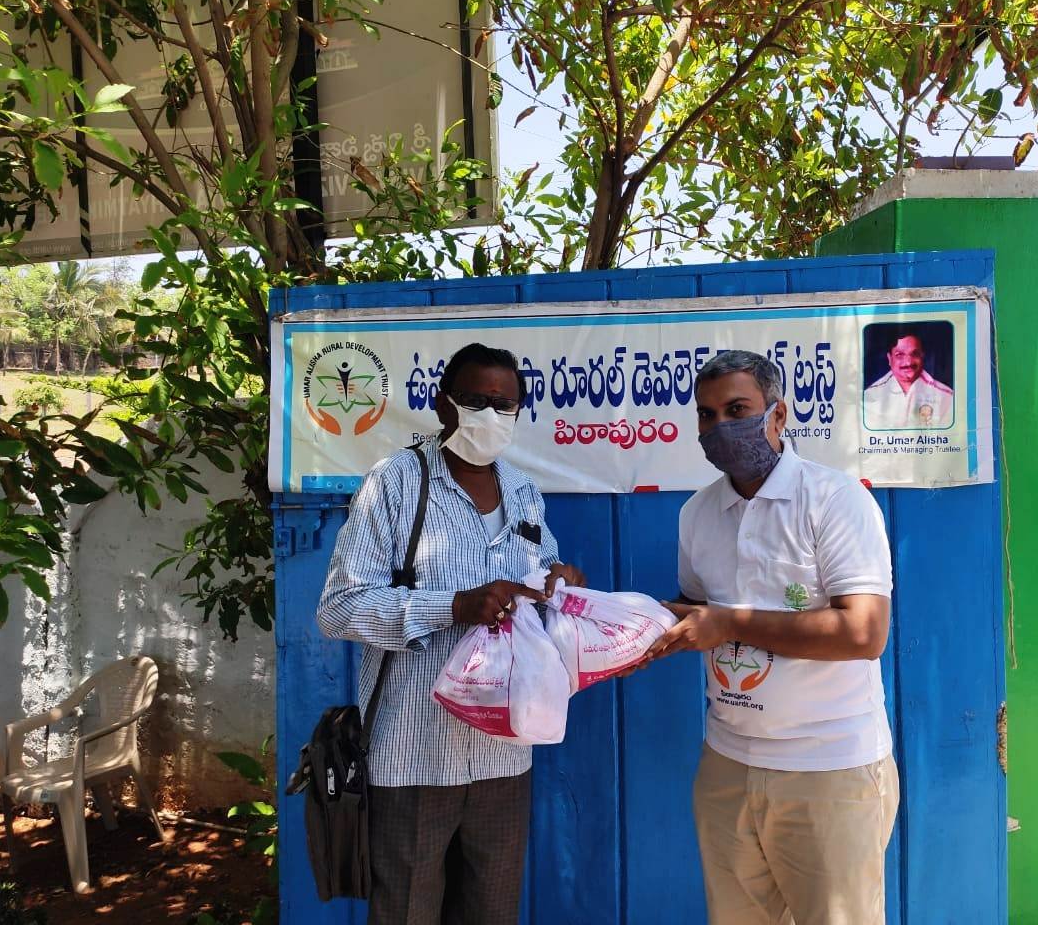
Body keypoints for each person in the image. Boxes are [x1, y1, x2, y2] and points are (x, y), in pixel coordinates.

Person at [317, 342, 585, 925]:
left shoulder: (522, 492)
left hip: (503, 752)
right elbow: (338, 610)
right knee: (407, 911)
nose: (490, 415)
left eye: (504, 404)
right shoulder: (393, 485)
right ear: (442, 406)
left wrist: (557, 587)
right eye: (474, 400)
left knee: (492, 912)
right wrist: (454, 606)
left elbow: (537, 601)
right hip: (413, 754)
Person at [642, 349, 898, 925]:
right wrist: (649, 631)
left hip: (828, 767)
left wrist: (730, 622)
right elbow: (701, 613)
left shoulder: (834, 499)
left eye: (738, 409)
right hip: (727, 762)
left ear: (777, 416)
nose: (720, 428)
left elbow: (864, 632)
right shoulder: (697, 513)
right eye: (707, 415)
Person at [862, 330, 953, 429]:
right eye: (899, 355)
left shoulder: (947, 397)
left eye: (915, 353)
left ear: (922, 356)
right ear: (889, 358)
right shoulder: (869, 396)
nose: (908, 362)